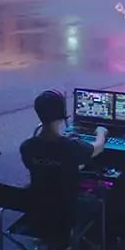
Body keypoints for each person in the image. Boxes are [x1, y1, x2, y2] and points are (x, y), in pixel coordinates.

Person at [20, 90, 107, 237]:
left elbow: (44, 167)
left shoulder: (27, 147)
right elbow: (98, 148)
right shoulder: (70, 147)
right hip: (68, 209)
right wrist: (101, 132)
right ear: (62, 114)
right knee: (101, 194)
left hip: (38, 208)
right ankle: (94, 248)